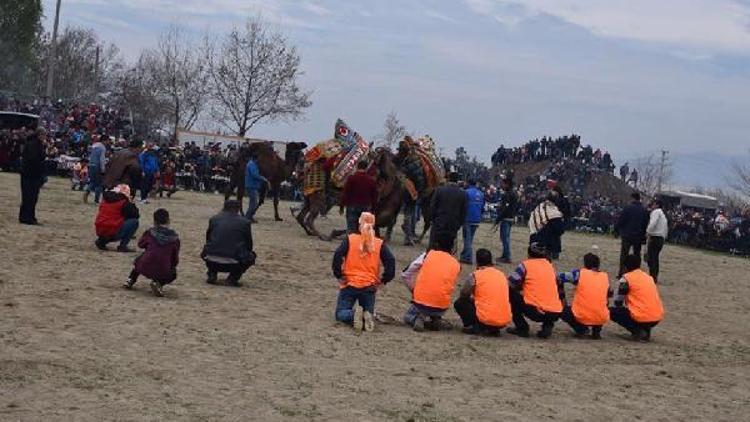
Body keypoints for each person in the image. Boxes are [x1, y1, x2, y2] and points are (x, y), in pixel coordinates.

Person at [331, 212, 396, 333]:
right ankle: (366, 316)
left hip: (349, 283)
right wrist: (384, 280)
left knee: (340, 313)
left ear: (359, 223)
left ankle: (354, 314)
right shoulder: (379, 243)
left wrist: (339, 275)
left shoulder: (351, 239)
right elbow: (390, 261)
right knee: (369, 313)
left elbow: (338, 254)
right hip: (369, 286)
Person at [404, 235, 462, 332]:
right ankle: (435, 318)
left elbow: (405, 274)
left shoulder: (428, 255)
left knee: (408, 316)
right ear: (452, 248)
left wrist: (413, 290)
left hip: (421, 303)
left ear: (436, 244)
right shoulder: (456, 264)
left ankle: (418, 318)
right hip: (442, 306)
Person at [506, 243, 563, 339]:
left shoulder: (525, 265)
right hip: (555, 312)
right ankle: (547, 325)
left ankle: (522, 328)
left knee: (509, 292)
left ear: (529, 254)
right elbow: (559, 283)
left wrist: (520, 289)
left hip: (535, 311)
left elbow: (510, 283)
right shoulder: (550, 266)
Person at [454, 249, 512, 335]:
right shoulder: (501, 274)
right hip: (503, 319)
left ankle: (475, 326)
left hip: (486, 318)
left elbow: (464, 294)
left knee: (460, 303)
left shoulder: (475, 275)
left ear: (477, 262)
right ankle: (493, 328)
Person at [124, 208, 180, 297]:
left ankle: (131, 279)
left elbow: (140, 244)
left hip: (145, 265)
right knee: (173, 274)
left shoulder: (150, 232)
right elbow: (175, 257)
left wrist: (149, 247)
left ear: (154, 221)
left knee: (139, 260)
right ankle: (158, 283)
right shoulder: (175, 238)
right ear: (168, 220)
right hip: (163, 268)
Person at [201, 200, 256, 287]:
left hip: (211, 259)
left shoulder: (214, 219)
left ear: (224, 207)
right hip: (233, 263)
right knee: (251, 256)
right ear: (238, 209)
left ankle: (212, 273)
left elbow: (208, 239)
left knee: (211, 248)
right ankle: (232, 278)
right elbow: (249, 245)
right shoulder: (245, 222)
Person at [610, 254, 665, 342]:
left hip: (641, 316)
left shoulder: (626, 279)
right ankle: (645, 330)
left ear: (626, 267)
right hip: (656, 317)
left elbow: (618, 300)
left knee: (612, 311)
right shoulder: (648, 277)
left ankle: (637, 331)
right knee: (641, 310)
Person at [557, 253, 611, 339]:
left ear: (585, 264)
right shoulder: (605, 277)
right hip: (601, 316)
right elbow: (608, 297)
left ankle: (581, 329)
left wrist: (562, 295)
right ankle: (596, 330)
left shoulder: (579, 274)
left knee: (562, 310)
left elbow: (559, 277)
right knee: (600, 304)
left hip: (582, 315)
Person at [94, 184, 140, 252]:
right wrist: (131, 202)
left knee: (110, 220)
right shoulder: (124, 202)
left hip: (100, 230)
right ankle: (123, 246)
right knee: (134, 221)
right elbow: (136, 215)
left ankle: (101, 241)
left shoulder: (105, 199)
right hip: (113, 230)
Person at [428, 172, 467, 251]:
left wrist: (431, 219)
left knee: (433, 247)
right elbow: (464, 212)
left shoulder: (439, 190)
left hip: (438, 222)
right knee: (448, 248)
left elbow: (432, 206)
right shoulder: (463, 194)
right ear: (457, 181)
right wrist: (458, 224)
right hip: (453, 225)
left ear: (448, 179)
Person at [615, 192, 649, 277]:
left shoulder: (627, 208)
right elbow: (646, 224)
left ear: (632, 198)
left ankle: (622, 273)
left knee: (624, 254)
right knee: (637, 255)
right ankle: (636, 273)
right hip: (638, 236)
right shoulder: (644, 210)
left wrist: (616, 230)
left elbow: (621, 220)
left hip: (627, 235)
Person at [339, 160, 378, 233]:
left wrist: (341, 206)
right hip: (366, 206)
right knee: (364, 230)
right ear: (366, 168)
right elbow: (374, 196)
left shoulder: (351, 178)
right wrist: (373, 209)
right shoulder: (371, 180)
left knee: (352, 229)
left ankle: (352, 242)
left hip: (352, 205)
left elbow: (345, 193)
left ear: (357, 167)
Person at [18, 128, 47, 225]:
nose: (44, 137)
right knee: (30, 196)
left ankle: (24, 217)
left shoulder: (34, 143)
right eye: (43, 135)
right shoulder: (34, 144)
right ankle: (28, 218)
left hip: (28, 174)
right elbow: (34, 160)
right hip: (31, 175)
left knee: (28, 197)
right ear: (39, 134)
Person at [528, 191, 565, 260]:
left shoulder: (539, 207)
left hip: (535, 237)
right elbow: (560, 229)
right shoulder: (554, 211)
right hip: (546, 242)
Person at [460, 179, 485, 264]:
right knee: (470, 239)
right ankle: (464, 254)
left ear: (468, 183)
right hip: (476, 219)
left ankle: (468, 257)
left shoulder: (466, 192)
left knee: (467, 238)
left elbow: (462, 205)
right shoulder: (481, 194)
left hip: (467, 218)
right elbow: (482, 207)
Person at [493, 177, 517, 264]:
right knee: (506, 238)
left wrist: (498, 218)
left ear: (507, 184)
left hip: (506, 218)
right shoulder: (514, 193)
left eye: (502, 183)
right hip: (510, 217)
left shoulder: (507, 194)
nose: (501, 185)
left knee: (504, 238)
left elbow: (504, 209)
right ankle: (504, 255)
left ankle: (507, 256)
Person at [646, 199, 668, 283]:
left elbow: (653, 223)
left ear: (657, 205)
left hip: (655, 237)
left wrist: (648, 231)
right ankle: (654, 276)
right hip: (661, 238)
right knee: (655, 258)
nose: (652, 206)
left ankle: (652, 276)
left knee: (651, 258)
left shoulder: (656, 212)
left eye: (653, 204)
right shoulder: (663, 215)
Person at [244, 152, 268, 223]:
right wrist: (263, 178)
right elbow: (254, 175)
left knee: (253, 202)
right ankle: (248, 217)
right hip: (251, 185)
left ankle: (249, 217)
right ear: (256, 158)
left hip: (252, 185)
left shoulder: (251, 164)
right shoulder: (252, 164)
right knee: (254, 203)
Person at [84, 135, 107, 203]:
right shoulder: (102, 148)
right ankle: (96, 199)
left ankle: (87, 191)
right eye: (107, 141)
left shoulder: (94, 146)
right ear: (104, 140)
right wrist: (103, 169)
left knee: (92, 181)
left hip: (91, 165)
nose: (107, 142)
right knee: (99, 183)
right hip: (97, 166)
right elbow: (102, 159)